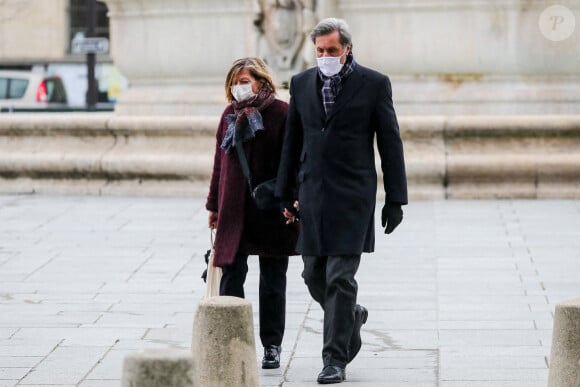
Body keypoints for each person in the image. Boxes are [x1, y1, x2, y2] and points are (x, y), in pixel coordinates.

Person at [275, 18, 408, 384]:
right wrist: (285, 192)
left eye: (332, 50)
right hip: (312, 193)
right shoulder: (301, 84)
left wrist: (395, 199)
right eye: (319, 51)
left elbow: (390, 141)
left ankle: (334, 359)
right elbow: (292, 140)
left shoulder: (374, 83)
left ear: (347, 48)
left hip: (354, 196)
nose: (325, 57)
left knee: (339, 277)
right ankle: (351, 315)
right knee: (312, 273)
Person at [206, 57, 298, 369]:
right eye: (235, 81)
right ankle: (232, 342)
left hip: (270, 208)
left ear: (261, 81)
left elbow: (294, 162)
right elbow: (220, 163)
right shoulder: (228, 115)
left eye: (244, 80)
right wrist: (213, 206)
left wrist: (293, 201)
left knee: (273, 280)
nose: (239, 87)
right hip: (234, 208)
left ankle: (272, 346)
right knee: (231, 274)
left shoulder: (281, 113)